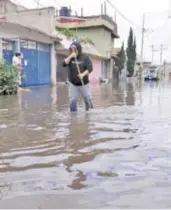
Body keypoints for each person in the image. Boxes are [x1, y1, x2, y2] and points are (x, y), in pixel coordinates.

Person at [62, 41, 93, 112]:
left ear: (79, 49)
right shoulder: (70, 57)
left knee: (87, 100)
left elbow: (90, 68)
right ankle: (73, 119)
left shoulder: (85, 57)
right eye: (72, 49)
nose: (73, 51)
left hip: (84, 84)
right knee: (72, 102)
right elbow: (63, 64)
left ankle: (89, 116)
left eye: (75, 49)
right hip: (73, 84)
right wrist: (70, 56)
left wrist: (82, 74)